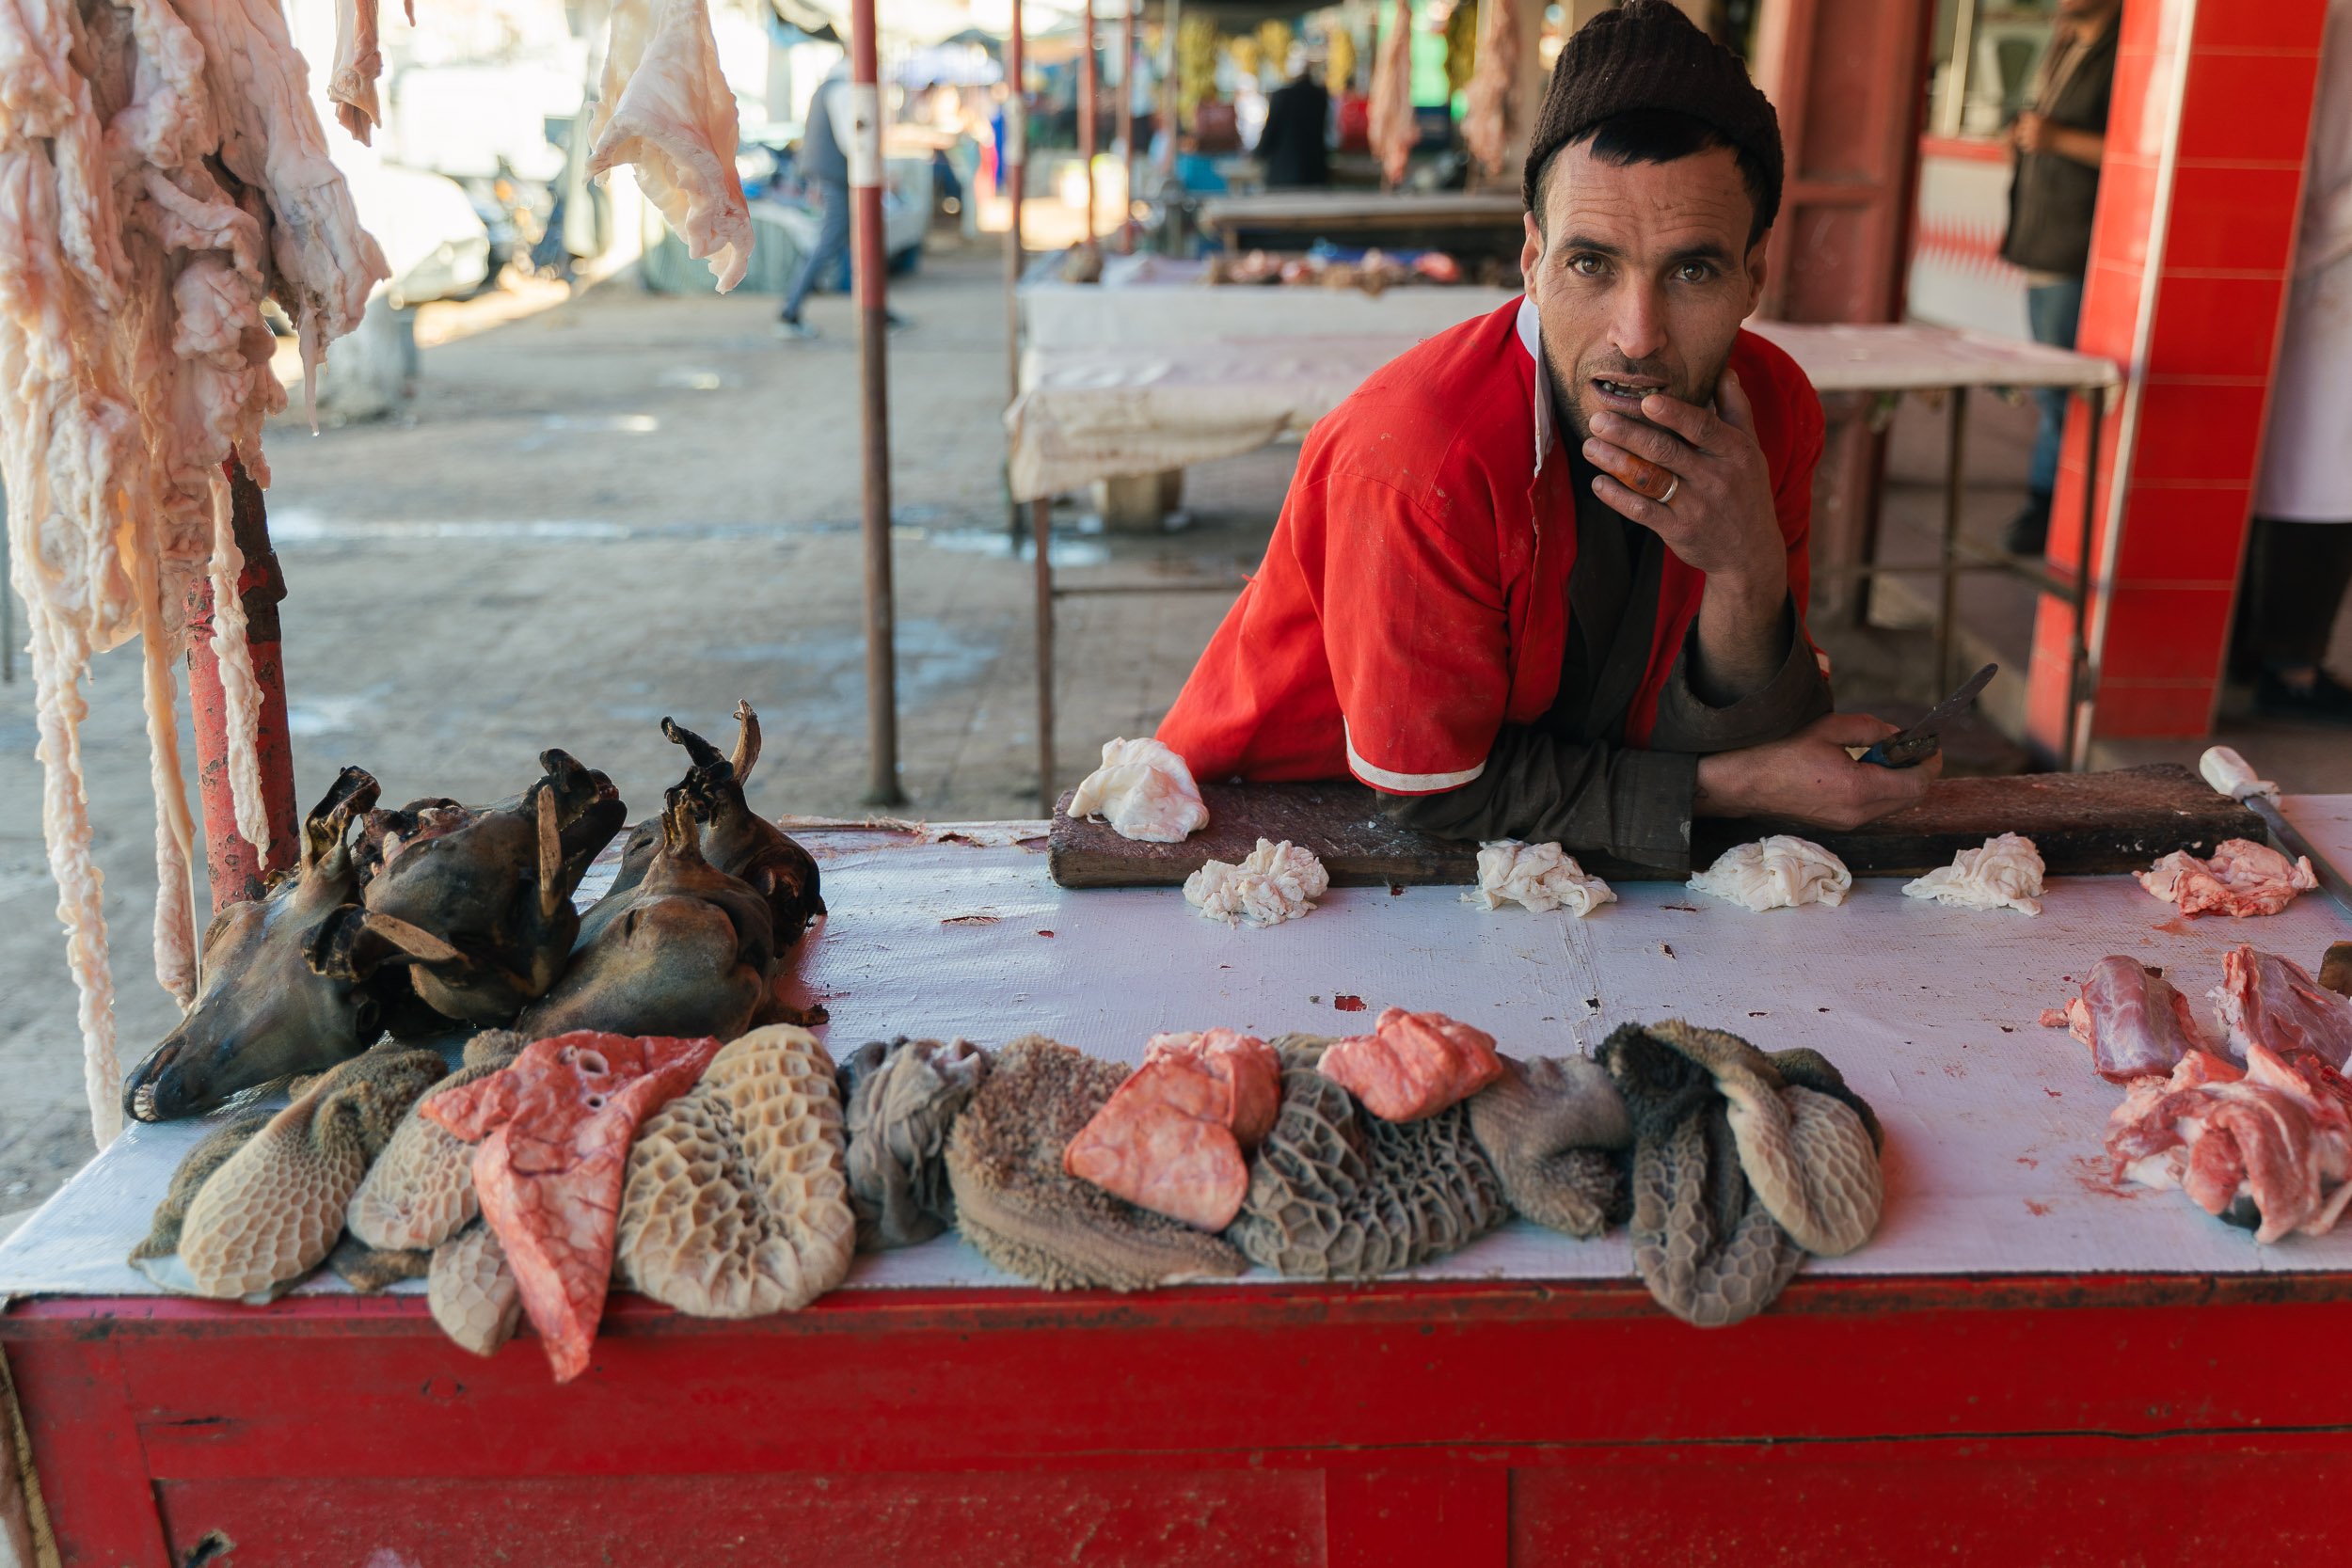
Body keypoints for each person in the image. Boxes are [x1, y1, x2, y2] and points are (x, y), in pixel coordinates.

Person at [1154, 1, 1935, 873]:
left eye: (1692, 270)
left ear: (1755, 272)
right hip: (1275, 845)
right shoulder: (1420, 459)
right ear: (1532, 257)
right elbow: (1436, 790)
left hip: (1552, 857)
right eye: (1591, 263)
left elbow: (1764, 732)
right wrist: (1732, 788)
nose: (1637, 334)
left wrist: (1746, 567)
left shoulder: (1774, 408)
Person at [2233, 0, 2352, 722]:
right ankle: (2291, 669)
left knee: (2300, 480)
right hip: (2329, 289)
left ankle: (2261, 652)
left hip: (2309, 282)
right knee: (2322, 485)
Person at [1998, 0, 2119, 556]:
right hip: (2046, 243)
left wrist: (2055, 139)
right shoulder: (2068, 42)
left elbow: (2144, 151)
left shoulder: (2124, 49)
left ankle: (2047, 508)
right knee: (2053, 389)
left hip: (2082, 249)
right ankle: (2049, 506)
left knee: (2059, 393)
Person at [778, 63, 905, 340]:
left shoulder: (829, 83)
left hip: (830, 174)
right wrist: (879, 174)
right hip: (838, 176)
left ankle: (877, 308)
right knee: (831, 242)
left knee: (856, 243)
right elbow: (854, 140)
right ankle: (790, 311)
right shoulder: (844, 87)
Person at [1256, 51, 1332, 188]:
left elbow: (1270, 132)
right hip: (1315, 174)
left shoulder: (1282, 96)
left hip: (1282, 175)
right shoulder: (1320, 96)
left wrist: (1258, 154)